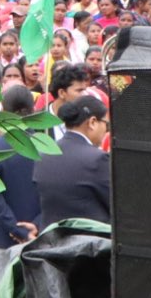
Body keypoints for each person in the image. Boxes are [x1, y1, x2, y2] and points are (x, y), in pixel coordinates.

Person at [0, 84, 42, 267]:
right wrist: (35, 226)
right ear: (33, 110)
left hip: (0, 239)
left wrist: (15, 228)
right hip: (38, 239)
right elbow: (55, 193)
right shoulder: (48, 147)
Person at [34, 96, 113, 227]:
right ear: (92, 122)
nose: (106, 130)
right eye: (106, 124)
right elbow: (116, 205)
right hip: (89, 237)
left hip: (51, 236)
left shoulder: (44, 155)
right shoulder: (97, 159)